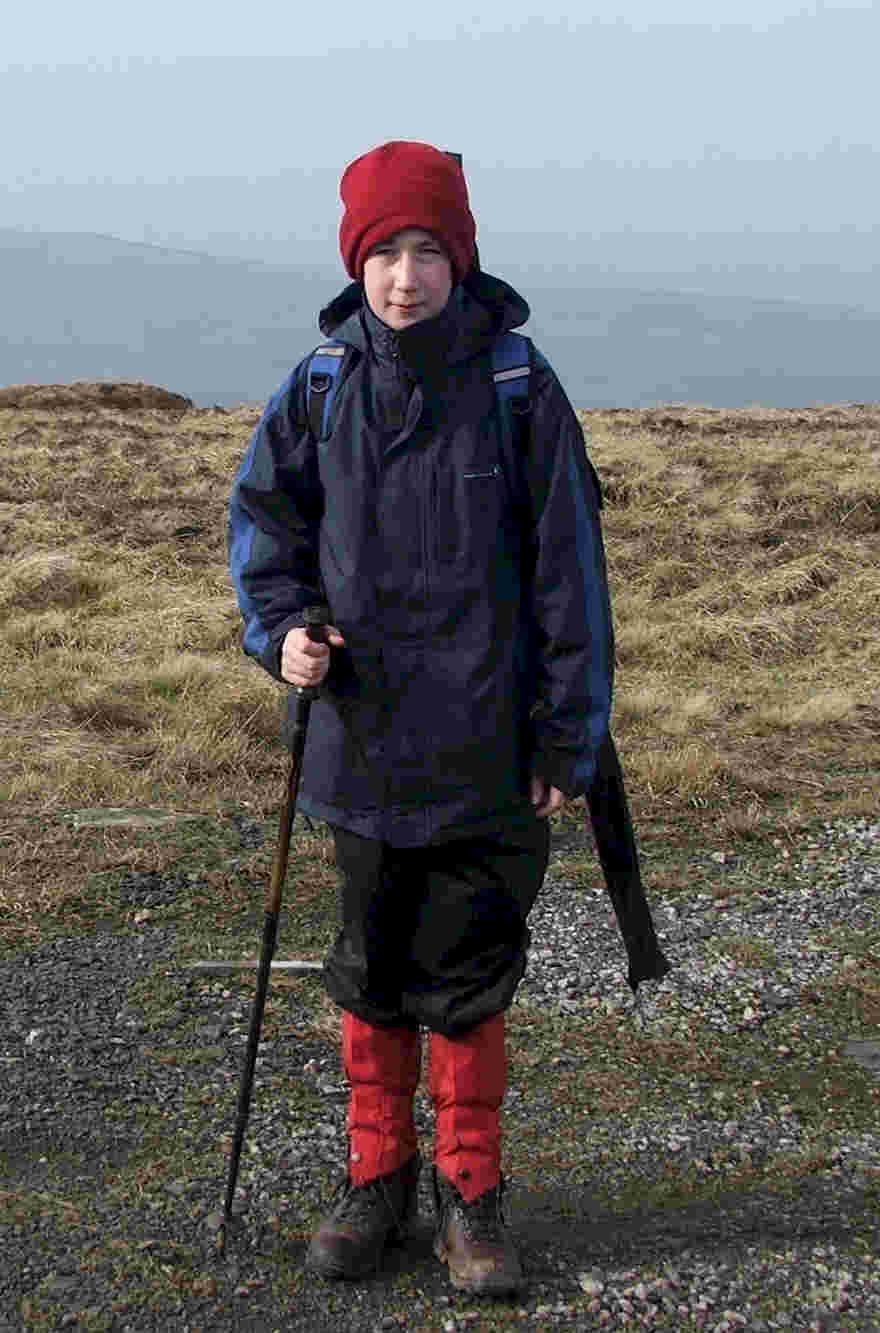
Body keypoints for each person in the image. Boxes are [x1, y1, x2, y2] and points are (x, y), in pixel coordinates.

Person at [229, 140, 635, 1295]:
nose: (404, 276)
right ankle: (375, 1181)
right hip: (359, 742)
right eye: (383, 252)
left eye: (426, 250)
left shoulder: (515, 385)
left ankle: (471, 1195)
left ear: (461, 257)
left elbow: (570, 576)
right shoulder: (320, 383)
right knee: (369, 966)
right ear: (355, 260)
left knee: (465, 971)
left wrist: (569, 735)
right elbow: (266, 526)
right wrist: (285, 632)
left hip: (486, 749)